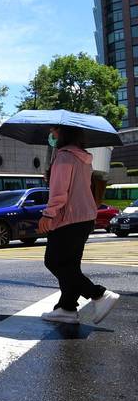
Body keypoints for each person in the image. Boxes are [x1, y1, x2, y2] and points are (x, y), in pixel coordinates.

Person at [39, 126, 119, 324]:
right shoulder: (83, 157)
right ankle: (66, 308)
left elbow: (60, 191)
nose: (52, 134)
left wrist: (48, 214)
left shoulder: (64, 156)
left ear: (63, 134)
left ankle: (98, 294)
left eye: (54, 131)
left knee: (54, 261)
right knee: (70, 265)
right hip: (85, 217)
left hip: (68, 218)